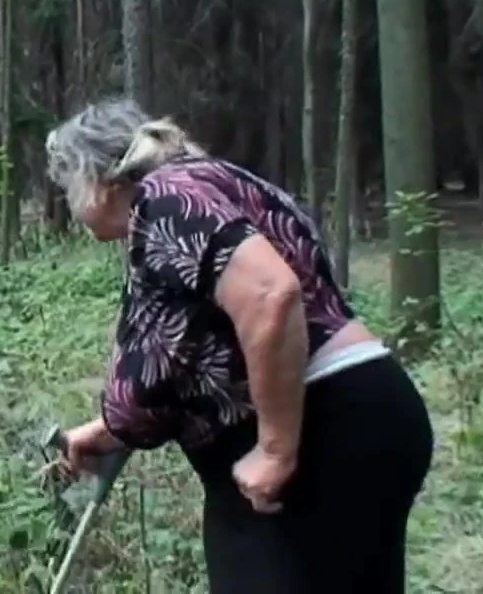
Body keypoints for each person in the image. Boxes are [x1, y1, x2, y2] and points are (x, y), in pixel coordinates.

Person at [44, 97, 434, 593]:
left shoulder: (164, 199)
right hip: (357, 418)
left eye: (67, 188)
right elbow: (205, 345)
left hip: (324, 433)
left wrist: (274, 449)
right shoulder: (207, 185)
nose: (70, 205)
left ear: (96, 179)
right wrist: (112, 429)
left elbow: (272, 297)